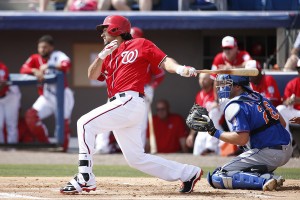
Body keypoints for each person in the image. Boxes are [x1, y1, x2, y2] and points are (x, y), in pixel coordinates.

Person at [60, 15, 202, 194]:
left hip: (129, 100)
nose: (102, 34)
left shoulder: (140, 44)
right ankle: (189, 173)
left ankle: (85, 177)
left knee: (84, 123)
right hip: (122, 106)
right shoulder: (108, 55)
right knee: (135, 158)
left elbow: (164, 61)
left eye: (105, 29)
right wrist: (101, 56)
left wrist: (181, 69)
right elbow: (92, 75)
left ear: (115, 29)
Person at [186, 74, 293, 191]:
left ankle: (265, 180)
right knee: (240, 165)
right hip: (286, 148)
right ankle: (267, 176)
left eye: (226, 85)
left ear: (237, 87)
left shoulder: (235, 105)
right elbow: (282, 123)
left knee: (218, 176)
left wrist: (214, 132)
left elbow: (241, 139)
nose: (222, 89)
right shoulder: (258, 96)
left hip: (269, 153)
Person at [94, 26, 165, 153]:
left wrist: (151, 88)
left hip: (140, 91)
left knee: (141, 122)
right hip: (117, 91)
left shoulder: (144, 51)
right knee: (106, 117)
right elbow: (98, 75)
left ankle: (139, 148)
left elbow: (160, 74)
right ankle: (101, 146)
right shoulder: (116, 53)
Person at [20, 35, 74, 152]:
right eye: (40, 47)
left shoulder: (58, 55)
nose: (42, 50)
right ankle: (46, 143)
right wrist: (34, 70)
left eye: (45, 47)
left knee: (63, 124)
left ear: (51, 47)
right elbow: (23, 69)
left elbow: (67, 65)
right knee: (31, 116)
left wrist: (50, 65)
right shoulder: (35, 58)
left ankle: (63, 150)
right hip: (46, 96)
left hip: (62, 95)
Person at [209, 36, 252, 156]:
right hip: (226, 95)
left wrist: (231, 69)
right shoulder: (218, 58)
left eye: (229, 48)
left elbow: (251, 67)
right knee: (213, 112)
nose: (227, 51)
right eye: (225, 48)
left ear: (236, 48)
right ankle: (214, 149)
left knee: (233, 112)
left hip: (243, 95)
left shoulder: (243, 55)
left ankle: (242, 146)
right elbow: (215, 80)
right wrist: (215, 100)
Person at [186, 73, 219, 155]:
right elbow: (196, 115)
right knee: (197, 153)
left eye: (204, 78)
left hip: (216, 127)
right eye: (200, 79)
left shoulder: (216, 93)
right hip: (203, 128)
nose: (202, 81)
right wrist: (191, 135)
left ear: (211, 80)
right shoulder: (199, 95)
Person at [276, 59, 300, 134]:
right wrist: (288, 101)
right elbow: (284, 102)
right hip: (295, 116)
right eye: (299, 69)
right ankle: (288, 142)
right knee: (280, 109)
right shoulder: (292, 83)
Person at [0, 62, 21, 144]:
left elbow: (1, 85)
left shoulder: (2, 67)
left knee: (11, 124)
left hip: (10, 95)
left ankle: (12, 148)